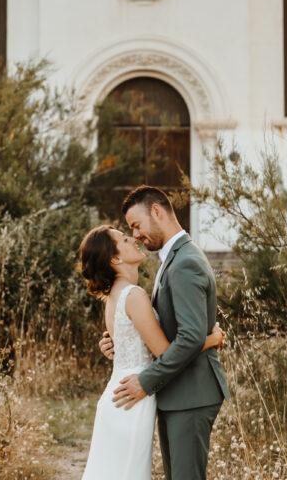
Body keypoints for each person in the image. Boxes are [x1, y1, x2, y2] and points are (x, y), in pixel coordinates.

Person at [99, 185, 230, 480]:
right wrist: (119, 340)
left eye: (136, 225)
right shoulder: (172, 258)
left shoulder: (184, 262)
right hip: (178, 392)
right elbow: (173, 329)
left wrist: (146, 381)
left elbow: (190, 337)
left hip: (192, 393)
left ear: (156, 212)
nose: (135, 235)